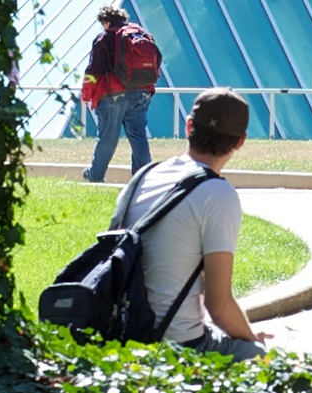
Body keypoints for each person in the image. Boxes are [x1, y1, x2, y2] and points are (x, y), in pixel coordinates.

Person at [118, 87, 272, 361]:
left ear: (190, 125)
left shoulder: (145, 174)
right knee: (260, 358)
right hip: (175, 344)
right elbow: (219, 305)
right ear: (240, 142)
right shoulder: (217, 194)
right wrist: (252, 338)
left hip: (122, 329)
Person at [80, 5, 157, 183]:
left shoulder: (105, 37)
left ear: (105, 21)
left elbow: (94, 70)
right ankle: (142, 178)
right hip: (142, 92)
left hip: (114, 94)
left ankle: (96, 176)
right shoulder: (140, 33)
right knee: (138, 136)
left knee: (108, 137)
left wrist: (86, 93)